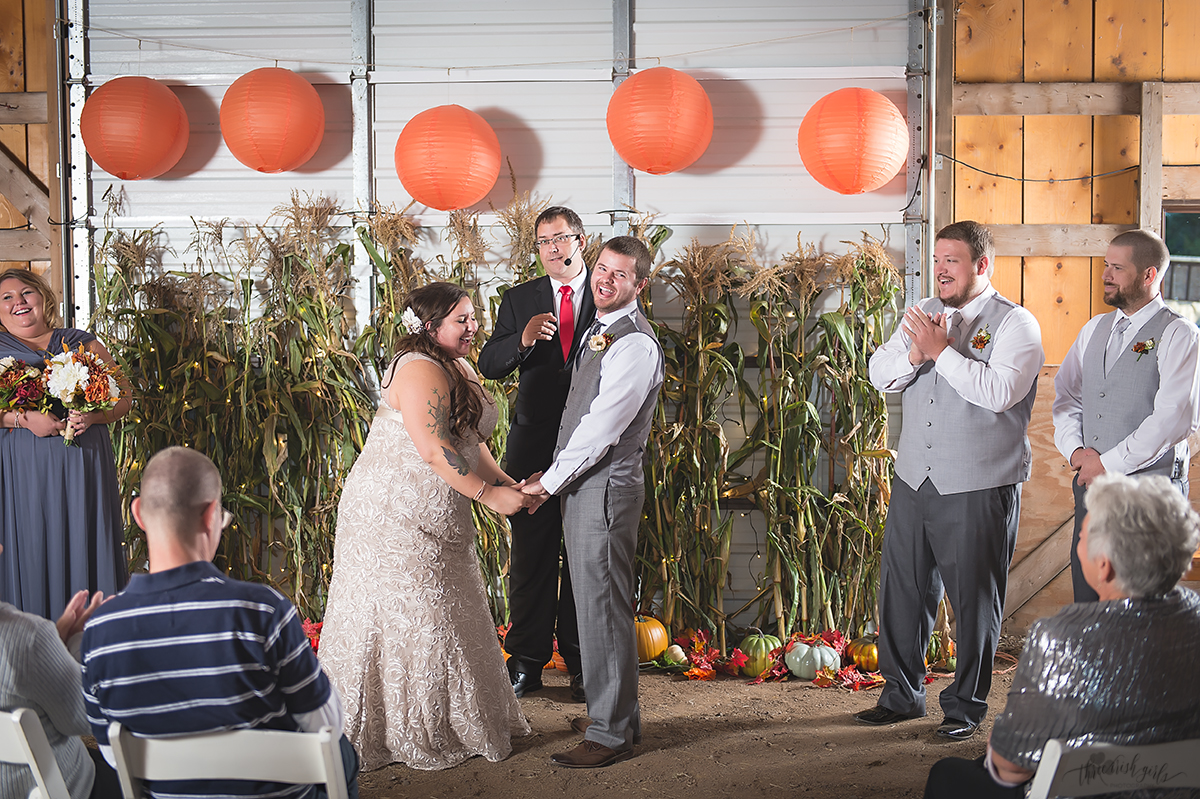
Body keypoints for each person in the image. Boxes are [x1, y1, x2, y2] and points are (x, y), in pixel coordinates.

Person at [319, 281, 531, 771]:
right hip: (393, 512)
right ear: (431, 328)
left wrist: (510, 483)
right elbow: (435, 449)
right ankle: (399, 729)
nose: (474, 326)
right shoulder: (418, 371)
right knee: (413, 612)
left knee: (446, 607)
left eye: (473, 316)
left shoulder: (458, 363)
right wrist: (489, 496)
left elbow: (470, 438)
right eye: (463, 319)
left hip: (439, 505)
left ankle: (457, 719)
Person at [856, 221, 1045, 741]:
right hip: (915, 476)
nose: (939, 269)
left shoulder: (1016, 325)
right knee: (903, 589)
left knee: (974, 600)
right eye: (937, 259)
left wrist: (942, 352)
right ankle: (901, 695)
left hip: (980, 483)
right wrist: (916, 353)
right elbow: (879, 373)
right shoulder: (923, 312)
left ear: (981, 266)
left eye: (952, 261)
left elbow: (999, 391)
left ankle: (964, 708)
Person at [79, 447, 359, 799]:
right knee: (344, 754)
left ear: (138, 513)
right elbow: (326, 727)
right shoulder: (264, 610)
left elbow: (114, 757)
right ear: (212, 514)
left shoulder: (100, 630)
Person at [924, 472, 1200, 798]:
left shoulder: (1062, 639)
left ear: (1104, 566)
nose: (1078, 545)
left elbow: (1010, 767)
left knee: (947, 775)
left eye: (1081, 537)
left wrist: (1001, 745)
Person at [522, 236, 665, 769]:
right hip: (585, 483)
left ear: (638, 285)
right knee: (597, 605)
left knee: (602, 608)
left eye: (620, 275)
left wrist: (547, 482)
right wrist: (554, 473)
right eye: (602, 269)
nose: (605, 280)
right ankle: (618, 719)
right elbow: (580, 416)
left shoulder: (634, 343)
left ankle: (607, 734)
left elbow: (601, 429)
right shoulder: (601, 329)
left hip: (604, 488)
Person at [477, 206, 595, 702]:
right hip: (533, 444)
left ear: (580, 240)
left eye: (560, 238)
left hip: (591, 442)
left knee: (587, 555)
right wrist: (522, 341)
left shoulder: (608, 292)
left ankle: (582, 661)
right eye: (543, 240)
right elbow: (489, 363)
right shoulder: (519, 298)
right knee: (532, 555)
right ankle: (526, 660)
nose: (551, 247)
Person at [1052, 229, 1200, 602]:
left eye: (1117, 268)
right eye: (1106, 265)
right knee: (1088, 599)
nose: (1106, 275)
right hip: (1091, 488)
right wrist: (1076, 452)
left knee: (1143, 607)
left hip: (1150, 494)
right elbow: (1066, 396)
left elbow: (1171, 420)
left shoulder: (1178, 335)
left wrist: (1108, 463)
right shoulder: (1093, 329)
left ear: (1150, 276)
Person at [0, 269, 130, 620]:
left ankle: (95, 643)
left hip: (84, 461)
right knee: (33, 544)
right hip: (25, 468)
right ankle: (36, 648)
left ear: (44, 297)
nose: (19, 302)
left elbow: (125, 398)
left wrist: (93, 417)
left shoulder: (80, 341)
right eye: (7, 298)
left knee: (86, 538)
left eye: (26, 293)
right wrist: (23, 419)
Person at [0, 549, 119, 799]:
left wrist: (53, 651)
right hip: (61, 789)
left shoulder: (30, 641)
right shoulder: (27, 639)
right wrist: (76, 647)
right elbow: (87, 718)